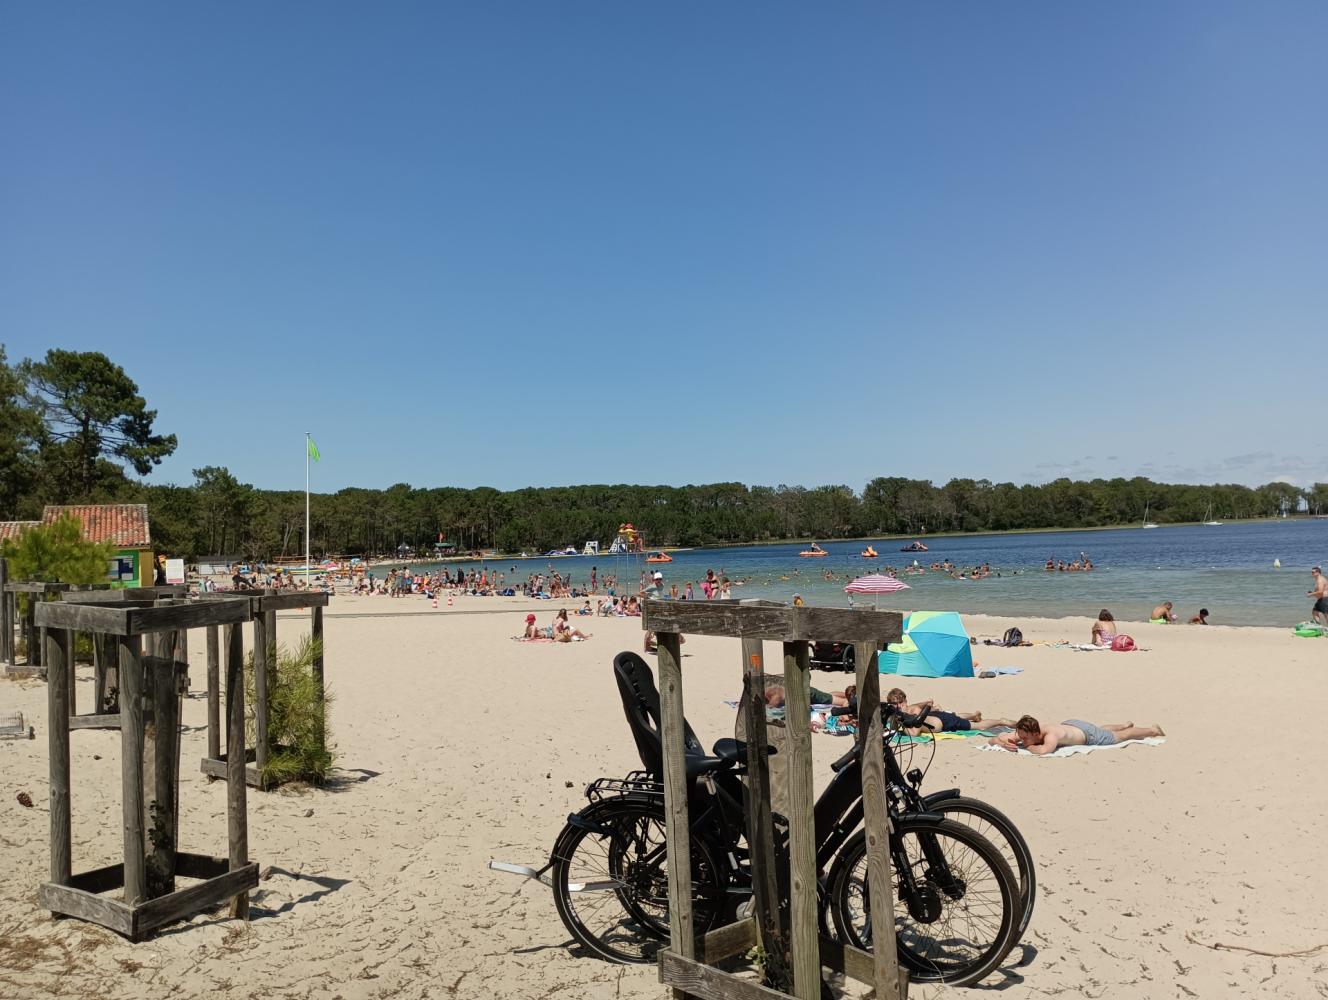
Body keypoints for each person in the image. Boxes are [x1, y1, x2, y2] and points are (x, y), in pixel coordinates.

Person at [991, 715, 1165, 754]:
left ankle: (1152, 730)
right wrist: (1001, 743)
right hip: (1072, 725)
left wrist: (1028, 747)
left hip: (1087, 735)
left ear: (1036, 734)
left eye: (1026, 738)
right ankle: (1123, 724)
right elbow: (994, 739)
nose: (1022, 740)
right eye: (1021, 736)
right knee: (1101, 729)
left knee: (1120, 736)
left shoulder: (1051, 735)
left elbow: (1044, 751)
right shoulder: (1026, 731)